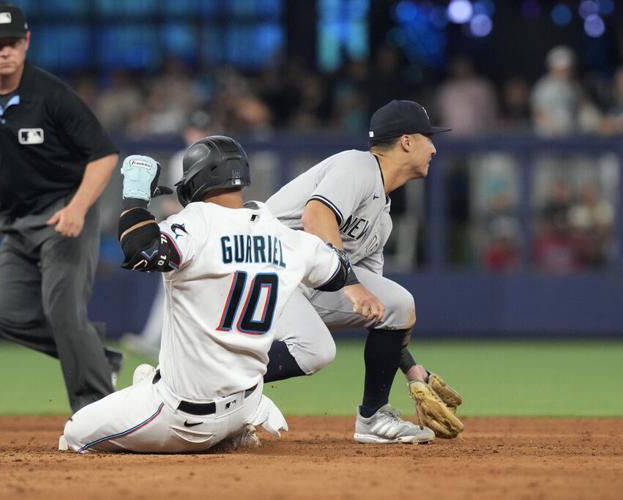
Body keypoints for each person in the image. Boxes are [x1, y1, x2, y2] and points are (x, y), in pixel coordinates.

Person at [60, 136, 355, 453]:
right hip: (247, 404)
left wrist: (134, 198)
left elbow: (142, 250)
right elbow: (339, 271)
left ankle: (158, 399)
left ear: (195, 181)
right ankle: (226, 424)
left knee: (74, 434)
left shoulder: (196, 222)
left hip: (184, 418)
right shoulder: (283, 235)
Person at [0, 2, 121, 413]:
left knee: (63, 310)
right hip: (16, 223)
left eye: (12, 42)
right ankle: (97, 357)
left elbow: (104, 155)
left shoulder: (52, 94)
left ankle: (98, 413)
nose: (4, 51)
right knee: (5, 317)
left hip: (64, 214)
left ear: (26, 43)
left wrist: (79, 209)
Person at [265, 100, 464, 441]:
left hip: (299, 283)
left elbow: (380, 312)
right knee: (315, 350)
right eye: (428, 138)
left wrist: (412, 370)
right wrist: (352, 284)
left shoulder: (381, 220)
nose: (433, 148)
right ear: (406, 141)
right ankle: (211, 381)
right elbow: (316, 217)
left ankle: (373, 418)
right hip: (258, 271)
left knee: (397, 304)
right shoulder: (357, 165)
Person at [119, 110, 213, 358]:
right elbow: (177, 199)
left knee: (193, 283)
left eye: (202, 130)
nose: (197, 135)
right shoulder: (181, 159)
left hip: (205, 227)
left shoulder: (213, 158)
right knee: (172, 282)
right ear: (187, 132)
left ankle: (170, 340)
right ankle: (159, 340)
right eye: (195, 130)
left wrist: (172, 207)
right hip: (189, 226)